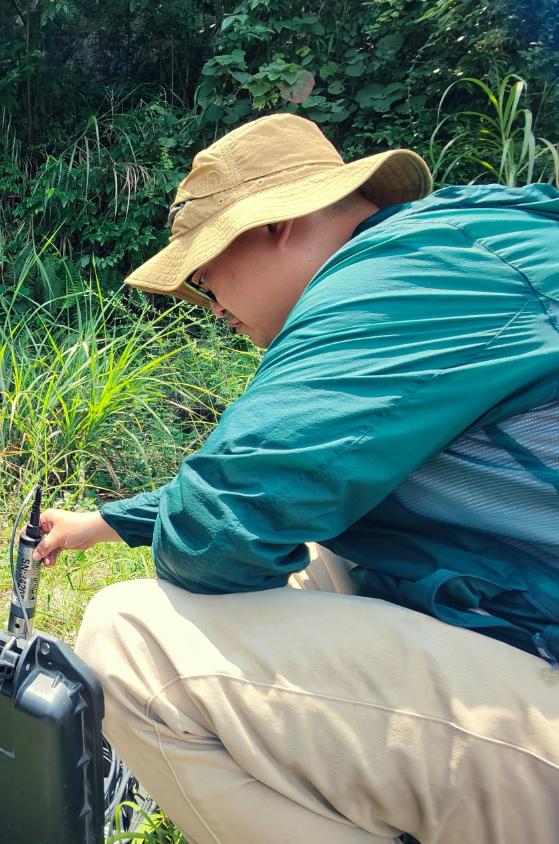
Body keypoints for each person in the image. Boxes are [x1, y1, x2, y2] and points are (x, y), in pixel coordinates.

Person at [34, 114, 559, 843]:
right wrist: (111, 520)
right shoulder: (472, 246)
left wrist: (177, 522)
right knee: (324, 559)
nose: (209, 304)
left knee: (131, 640)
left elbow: (219, 528)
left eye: (204, 270)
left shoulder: (400, 275)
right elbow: (292, 485)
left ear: (276, 223)